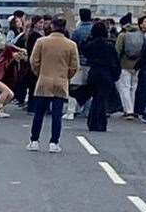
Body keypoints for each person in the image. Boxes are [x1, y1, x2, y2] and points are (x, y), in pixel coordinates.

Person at [27, 17, 79, 153]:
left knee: (39, 113)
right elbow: (74, 66)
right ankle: (54, 142)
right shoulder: (71, 45)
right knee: (57, 114)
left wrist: (40, 72)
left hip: (44, 80)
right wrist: (66, 76)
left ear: (52, 26)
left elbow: (34, 61)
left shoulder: (41, 42)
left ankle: (34, 141)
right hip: (60, 81)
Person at [73, 21, 120, 132]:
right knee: (102, 99)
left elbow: (83, 47)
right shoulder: (110, 45)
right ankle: (100, 123)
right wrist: (115, 75)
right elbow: (116, 62)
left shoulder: (91, 45)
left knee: (95, 98)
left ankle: (93, 122)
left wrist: (90, 38)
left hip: (94, 72)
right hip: (106, 73)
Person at [115, 13, 146, 119]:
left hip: (124, 65)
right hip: (137, 65)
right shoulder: (140, 34)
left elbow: (118, 51)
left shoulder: (122, 35)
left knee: (125, 88)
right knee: (134, 88)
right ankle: (133, 109)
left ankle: (128, 110)